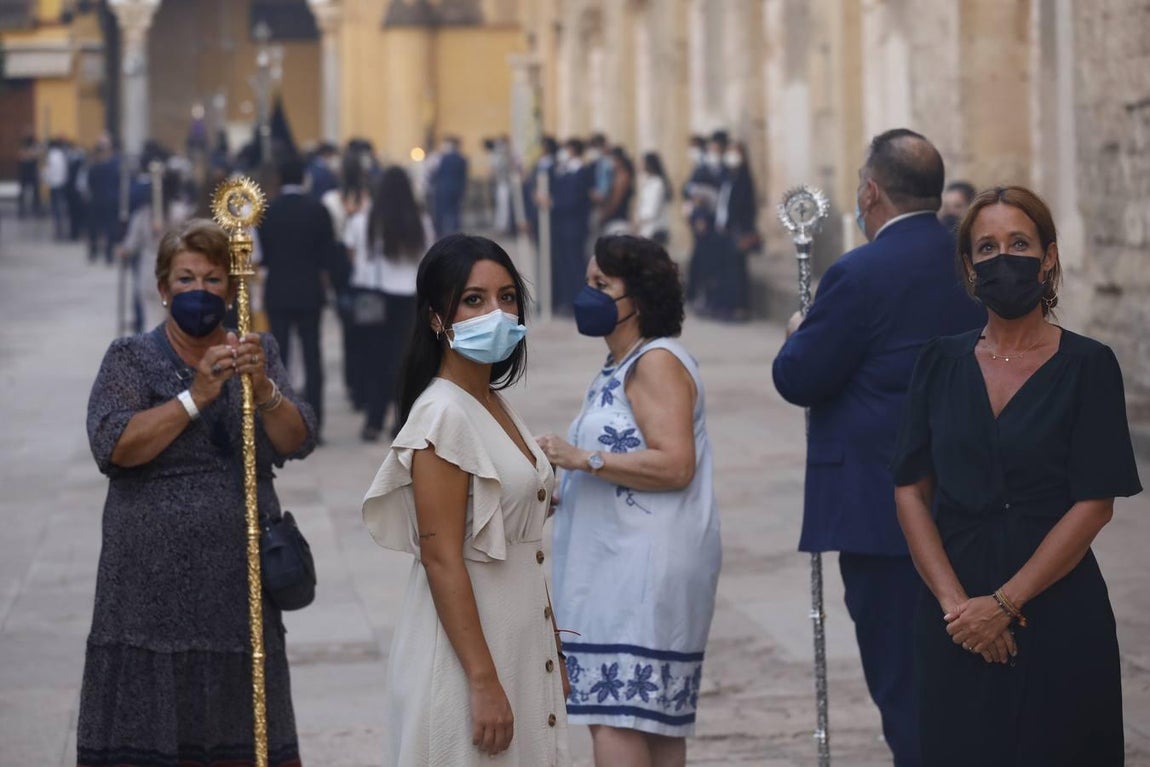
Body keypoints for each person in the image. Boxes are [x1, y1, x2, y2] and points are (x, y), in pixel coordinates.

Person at [892, 186, 1142, 767]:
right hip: (952, 614)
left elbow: (1094, 503)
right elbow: (910, 488)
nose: (1003, 257)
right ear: (970, 267)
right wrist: (960, 609)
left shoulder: (1089, 364)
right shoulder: (938, 361)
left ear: (1048, 257)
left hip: (1057, 604)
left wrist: (1003, 605)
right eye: (987, 247)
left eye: (1019, 243)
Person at [772, 128, 986, 767]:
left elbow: (800, 377)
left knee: (907, 689)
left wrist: (798, 332)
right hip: (974, 505)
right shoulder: (970, 260)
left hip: (884, 514)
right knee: (969, 686)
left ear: (870, 192)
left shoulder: (859, 272)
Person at [79, 218, 316, 767]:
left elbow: (296, 438)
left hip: (238, 588)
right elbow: (114, 445)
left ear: (231, 290)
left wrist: (264, 389)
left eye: (213, 280)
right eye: (185, 279)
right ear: (162, 289)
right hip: (147, 593)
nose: (199, 292)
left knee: (241, 727)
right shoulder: (130, 359)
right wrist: (197, 397)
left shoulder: (256, 350)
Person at [362, 234, 571, 765]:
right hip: (471, 655)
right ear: (438, 318)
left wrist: (551, 647)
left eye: (506, 297)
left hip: (517, 639)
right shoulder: (441, 417)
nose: (496, 311)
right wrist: (482, 681)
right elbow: (441, 556)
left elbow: (525, 546)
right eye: (474, 300)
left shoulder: (491, 402)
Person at [537, 235, 722, 767]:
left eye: (602, 285)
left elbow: (675, 463)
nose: (588, 294)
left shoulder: (656, 362)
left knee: (616, 713)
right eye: (588, 282)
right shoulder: (620, 365)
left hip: (637, 570)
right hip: (621, 563)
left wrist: (583, 459)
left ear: (636, 298)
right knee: (650, 719)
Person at [258, 156, 348, 441]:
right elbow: (328, 254)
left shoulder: (268, 211)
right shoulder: (317, 209)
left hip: (279, 290)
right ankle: (315, 423)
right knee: (312, 356)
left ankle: (283, 422)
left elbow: (265, 255)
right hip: (310, 291)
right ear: (304, 178)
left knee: (279, 358)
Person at [344, 166, 431, 441]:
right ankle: (403, 420)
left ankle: (373, 420)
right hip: (412, 297)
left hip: (376, 296)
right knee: (406, 361)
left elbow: (353, 255)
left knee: (376, 361)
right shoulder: (419, 220)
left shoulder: (366, 220)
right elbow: (430, 257)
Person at [711, 141, 758, 320]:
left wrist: (747, 232)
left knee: (737, 271)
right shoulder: (728, 178)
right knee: (726, 270)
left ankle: (740, 307)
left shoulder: (744, 180)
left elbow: (747, 208)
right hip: (724, 230)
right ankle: (727, 305)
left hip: (738, 231)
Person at [549, 138, 595, 314]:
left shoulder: (581, 171)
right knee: (565, 264)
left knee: (575, 264)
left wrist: (553, 203)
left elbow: (574, 200)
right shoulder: (565, 171)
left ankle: (577, 299)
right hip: (563, 226)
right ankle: (567, 299)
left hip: (574, 226)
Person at [431, 136, 468, 238]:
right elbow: (463, 177)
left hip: (443, 188)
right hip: (457, 189)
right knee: (455, 212)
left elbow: (436, 173)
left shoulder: (443, 158)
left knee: (441, 212)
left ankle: (439, 233)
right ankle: (456, 234)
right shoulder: (462, 159)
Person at [635, 151, 671, 246]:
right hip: (647, 229)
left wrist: (640, 221)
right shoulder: (650, 182)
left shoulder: (657, 183)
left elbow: (651, 210)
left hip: (654, 229)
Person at [597, 147, 635, 236]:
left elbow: (615, 200)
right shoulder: (617, 175)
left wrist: (605, 215)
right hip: (618, 218)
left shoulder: (622, 177)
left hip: (617, 219)